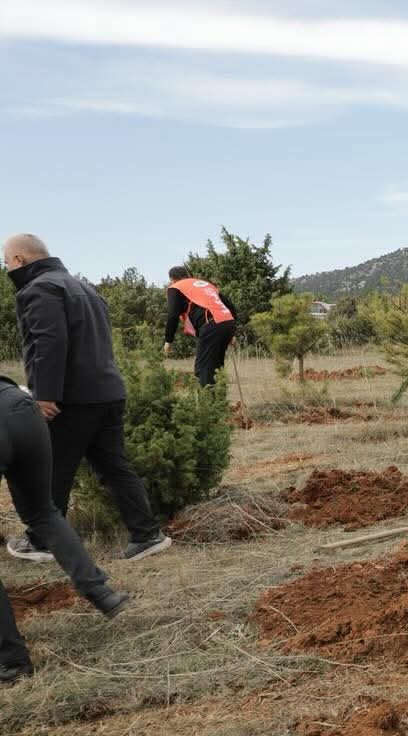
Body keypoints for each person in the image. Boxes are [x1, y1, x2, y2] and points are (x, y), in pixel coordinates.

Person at [2, 233, 171, 563]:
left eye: (7, 262)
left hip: (71, 398)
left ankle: (42, 541)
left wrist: (46, 394)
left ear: (20, 260)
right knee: (114, 465)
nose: (7, 268)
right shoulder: (82, 287)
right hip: (107, 392)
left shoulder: (39, 288)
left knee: (50, 469)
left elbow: (49, 341)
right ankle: (147, 534)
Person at [1, 374, 130, 685]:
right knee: (43, 512)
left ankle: (11, 661)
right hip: (21, 405)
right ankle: (100, 591)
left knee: (42, 512)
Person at [164, 266, 240, 387]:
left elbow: (173, 315)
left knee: (203, 369)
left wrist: (168, 340)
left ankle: (208, 404)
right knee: (217, 367)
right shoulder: (205, 285)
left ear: (172, 280)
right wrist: (232, 333)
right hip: (227, 323)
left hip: (211, 325)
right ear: (187, 275)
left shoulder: (175, 287)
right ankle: (219, 401)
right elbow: (230, 307)